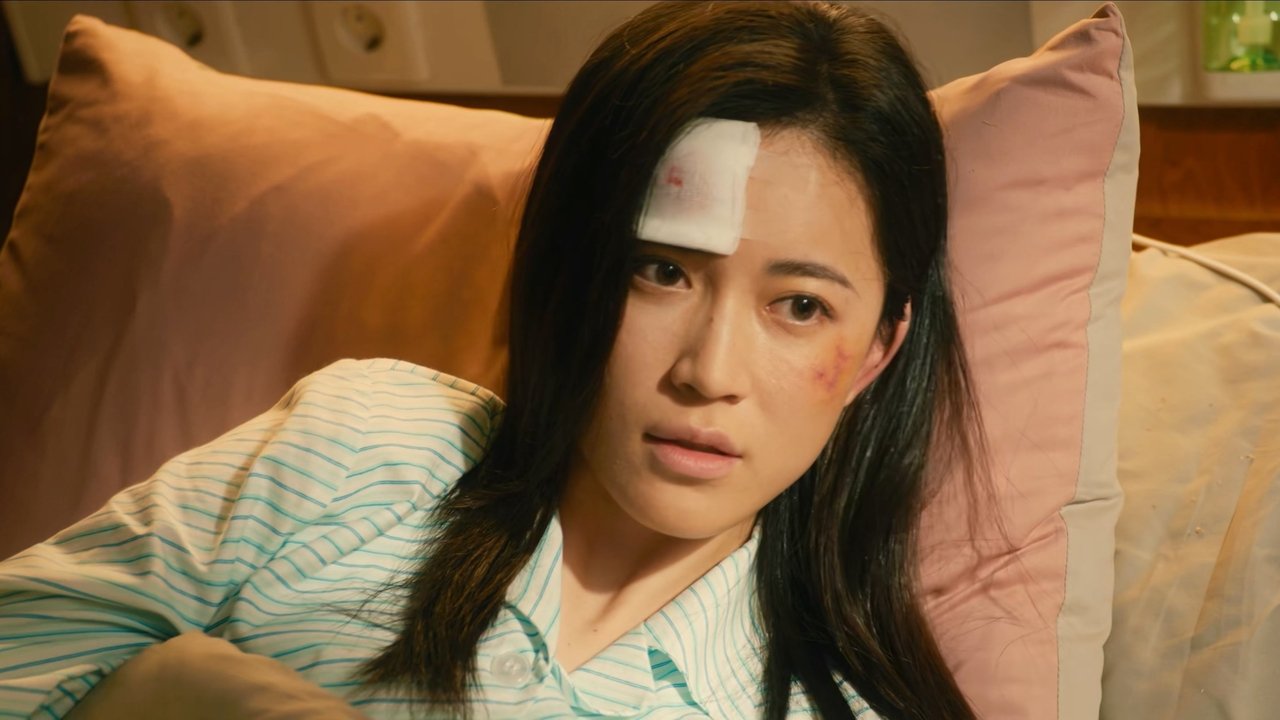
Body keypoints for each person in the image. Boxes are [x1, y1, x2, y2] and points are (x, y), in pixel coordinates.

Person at [0, 2, 986, 718]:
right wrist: (190, 696)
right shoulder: (361, 445)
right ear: (569, 269)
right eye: (659, 271)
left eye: (800, 307)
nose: (708, 371)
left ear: (875, 352)